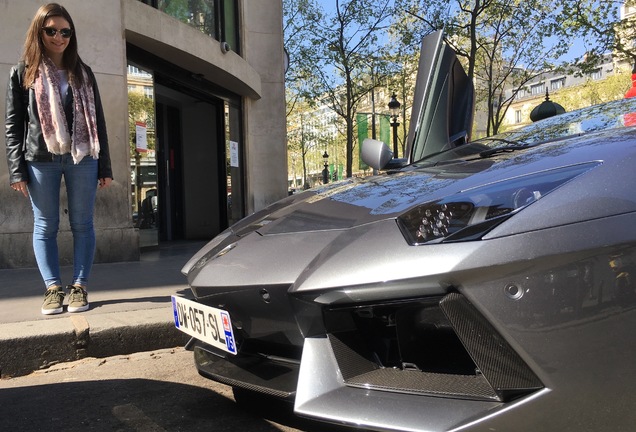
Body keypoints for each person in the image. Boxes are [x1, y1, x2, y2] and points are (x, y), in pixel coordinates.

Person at [5, 3, 112, 315]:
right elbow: (14, 125)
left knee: (82, 223)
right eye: (51, 30)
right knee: (45, 224)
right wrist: (16, 170)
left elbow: (99, 122)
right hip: (40, 157)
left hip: (83, 158)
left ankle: (80, 286)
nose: (59, 37)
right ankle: (53, 288)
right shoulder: (22, 72)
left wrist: (104, 165)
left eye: (65, 31)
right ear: (39, 32)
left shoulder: (84, 72)